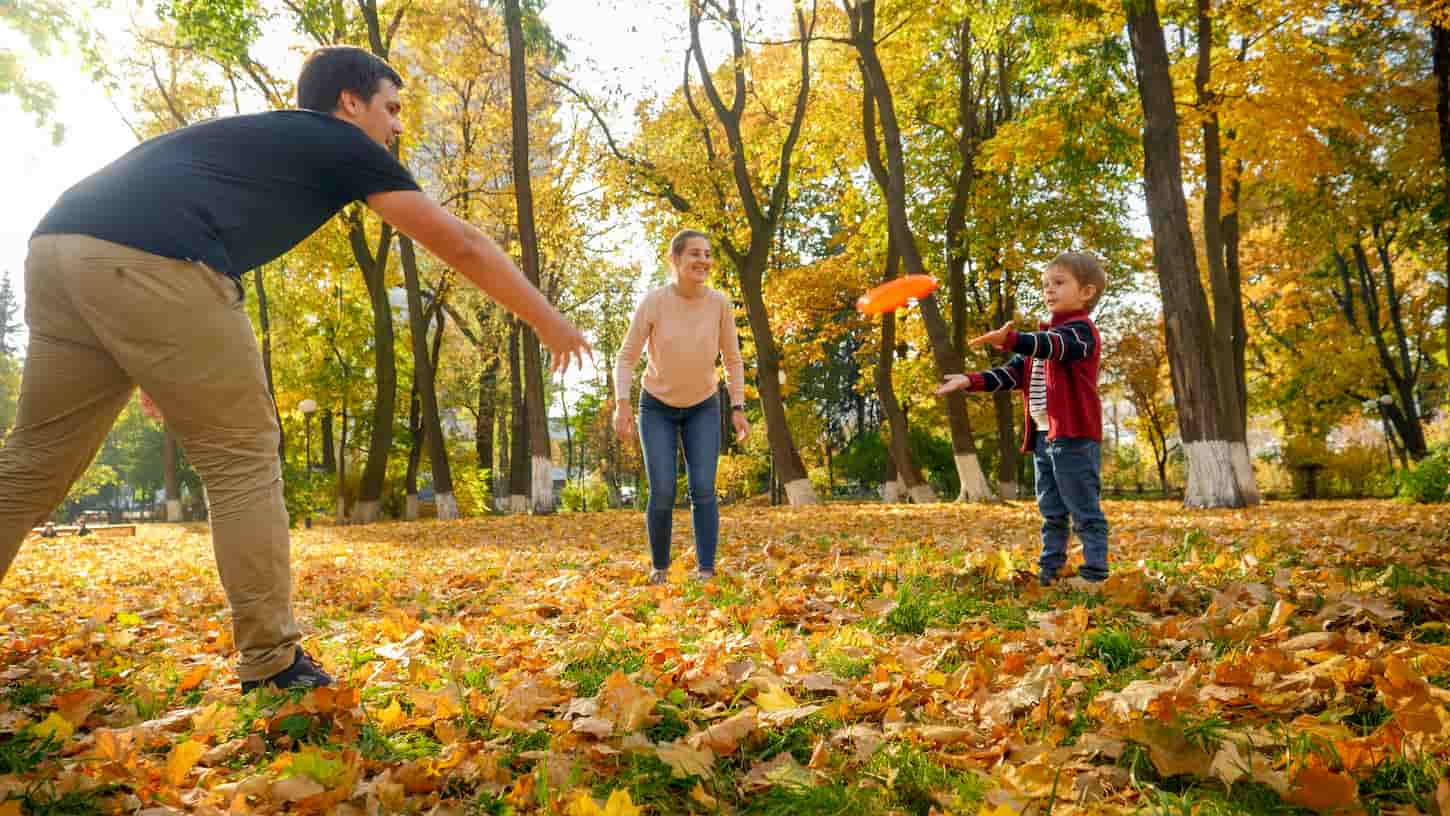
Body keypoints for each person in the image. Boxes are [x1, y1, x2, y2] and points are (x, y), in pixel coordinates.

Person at [0, 46, 591, 692]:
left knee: (33, 462)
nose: (397, 127)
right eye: (391, 109)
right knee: (243, 454)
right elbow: (462, 243)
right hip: (151, 256)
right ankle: (272, 663)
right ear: (349, 102)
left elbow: (148, 217)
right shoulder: (338, 141)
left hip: (58, 245)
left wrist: (147, 358)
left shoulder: (262, 146)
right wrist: (547, 319)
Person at [937, 252, 1109, 586]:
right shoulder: (1040, 340)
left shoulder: (1080, 333)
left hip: (1074, 436)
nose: (1049, 290)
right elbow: (1011, 374)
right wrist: (969, 380)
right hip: (1046, 439)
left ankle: (1095, 574)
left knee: (1083, 509)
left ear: (1086, 292)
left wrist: (1014, 339)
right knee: (1051, 511)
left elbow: (1054, 347)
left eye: (1059, 283)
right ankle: (1050, 571)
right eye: (1046, 284)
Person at [613, 230, 748, 585]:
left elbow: (733, 360)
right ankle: (660, 567)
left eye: (707, 254)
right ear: (675, 260)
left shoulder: (719, 303)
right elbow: (627, 356)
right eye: (694, 254)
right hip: (656, 406)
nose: (703, 260)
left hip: (703, 405)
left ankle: (706, 571)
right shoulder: (654, 302)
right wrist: (621, 403)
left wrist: (737, 405)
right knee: (662, 490)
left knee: (703, 487)